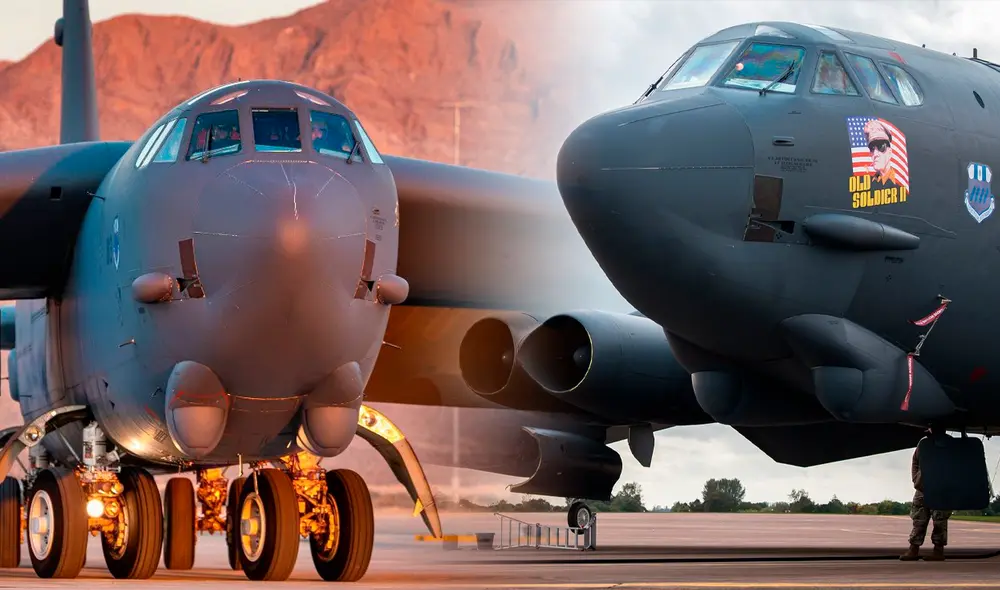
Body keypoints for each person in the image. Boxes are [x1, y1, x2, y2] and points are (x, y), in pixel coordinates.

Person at [901, 429, 951, 561]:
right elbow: (915, 462)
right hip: (923, 489)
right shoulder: (923, 444)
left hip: (941, 489)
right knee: (918, 520)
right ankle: (913, 549)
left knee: (940, 521)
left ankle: (938, 551)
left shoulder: (949, 443)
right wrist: (917, 480)